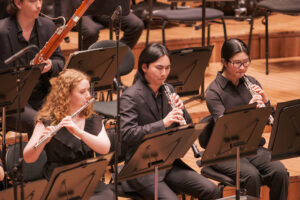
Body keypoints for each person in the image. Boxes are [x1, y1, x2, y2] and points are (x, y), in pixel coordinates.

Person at [120, 43, 219, 200]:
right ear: (144, 67)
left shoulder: (169, 90)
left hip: (168, 163)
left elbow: (187, 126)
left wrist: (182, 111)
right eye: (159, 68)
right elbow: (127, 134)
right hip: (141, 169)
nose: (164, 73)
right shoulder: (130, 97)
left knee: (211, 189)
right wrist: (163, 123)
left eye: (167, 68)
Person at [205, 38, 289, 199]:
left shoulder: (252, 82)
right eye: (237, 63)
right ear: (224, 61)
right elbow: (225, 127)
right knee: (252, 176)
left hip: (252, 147)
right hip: (224, 152)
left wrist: (265, 103)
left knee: (280, 173)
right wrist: (249, 111)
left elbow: (270, 120)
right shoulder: (214, 92)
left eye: (246, 62)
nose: (243, 67)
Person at [23, 69, 114, 199]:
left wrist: (79, 133)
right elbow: (28, 158)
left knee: (108, 196)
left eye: (88, 90)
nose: (88, 95)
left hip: (86, 177)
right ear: (66, 95)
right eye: (82, 92)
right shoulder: (48, 121)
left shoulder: (91, 118)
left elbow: (104, 148)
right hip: (60, 183)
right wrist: (43, 141)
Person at [0, 0, 65, 136]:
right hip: (12, 101)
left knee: (68, 117)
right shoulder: (2, 32)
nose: (39, 5)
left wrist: (51, 65)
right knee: (42, 123)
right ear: (18, 3)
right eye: (33, 1)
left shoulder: (47, 26)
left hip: (41, 94)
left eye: (40, 0)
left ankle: (55, 157)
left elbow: (60, 62)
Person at [54, 0, 144, 50]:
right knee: (91, 32)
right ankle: (81, 67)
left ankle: (113, 61)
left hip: (102, 6)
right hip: (78, 9)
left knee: (136, 25)